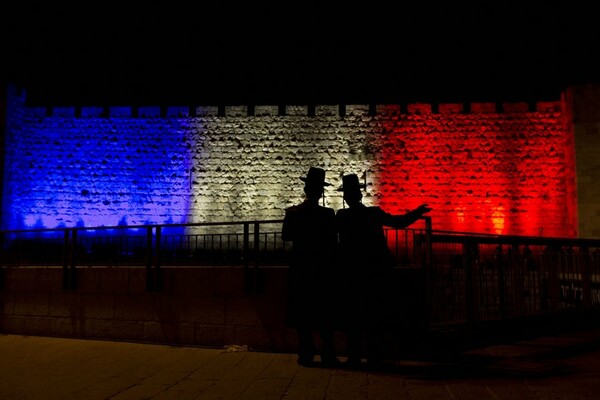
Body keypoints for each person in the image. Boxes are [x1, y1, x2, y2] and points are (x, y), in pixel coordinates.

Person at [335, 173, 431, 369]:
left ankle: (354, 356)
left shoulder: (342, 217)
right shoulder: (373, 213)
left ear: (346, 197)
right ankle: (374, 355)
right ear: (360, 195)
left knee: (354, 318)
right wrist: (416, 213)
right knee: (374, 317)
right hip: (375, 274)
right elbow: (399, 223)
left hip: (352, 274)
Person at [281, 167, 340, 367]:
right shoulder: (327, 214)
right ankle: (327, 353)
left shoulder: (293, 213)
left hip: (301, 268)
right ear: (320, 192)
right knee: (325, 313)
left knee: (303, 312)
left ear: (306, 190)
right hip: (323, 268)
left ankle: (305, 353)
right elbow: (333, 241)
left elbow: (286, 236)